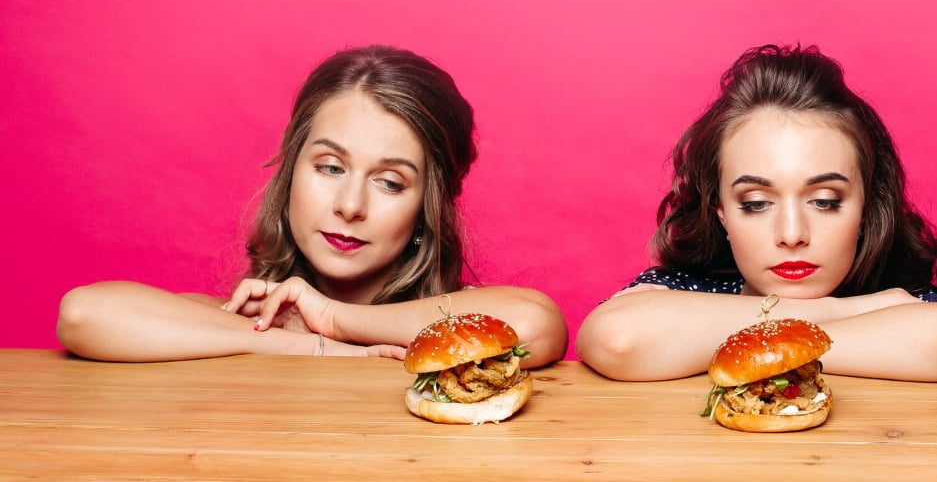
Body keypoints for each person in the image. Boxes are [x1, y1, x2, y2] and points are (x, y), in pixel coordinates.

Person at [57, 45, 566, 364]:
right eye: (329, 167)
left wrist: (333, 318)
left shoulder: (458, 326)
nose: (350, 205)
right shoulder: (253, 322)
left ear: (427, 208)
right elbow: (85, 314)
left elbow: (537, 325)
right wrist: (308, 344)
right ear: (291, 173)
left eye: (390, 182)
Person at [578, 44, 937, 381]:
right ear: (722, 213)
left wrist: (716, 337)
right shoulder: (682, 287)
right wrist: (841, 311)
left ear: (867, 208)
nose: (792, 234)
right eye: (757, 203)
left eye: (825, 201)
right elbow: (618, 339)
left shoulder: (911, 297)